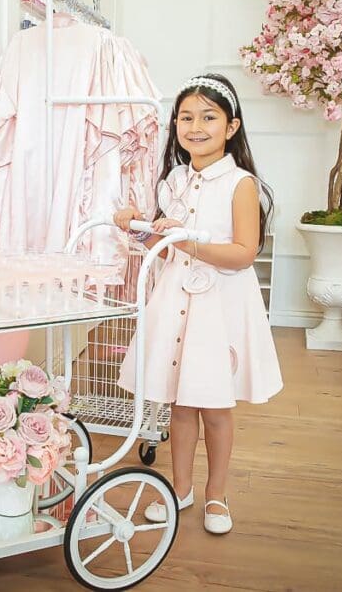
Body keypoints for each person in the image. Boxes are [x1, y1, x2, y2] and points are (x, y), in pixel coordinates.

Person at [114, 73, 283, 535]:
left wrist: (185, 242)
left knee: (214, 405)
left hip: (219, 308)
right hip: (176, 299)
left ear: (231, 127)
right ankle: (180, 489)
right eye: (186, 117)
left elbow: (244, 253)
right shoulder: (173, 179)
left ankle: (217, 496)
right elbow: (167, 250)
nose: (195, 126)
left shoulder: (241, 184)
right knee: (179, 405)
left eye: (208, 117)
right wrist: (142, 227)